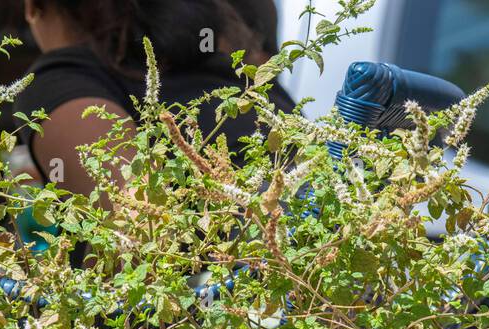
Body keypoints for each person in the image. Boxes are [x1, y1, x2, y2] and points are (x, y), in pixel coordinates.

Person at [15, 0, 295, 196]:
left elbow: (135, 236)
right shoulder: (236, 74)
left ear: (32, 7)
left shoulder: (58, 82)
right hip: (323, 244)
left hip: (260, 267)